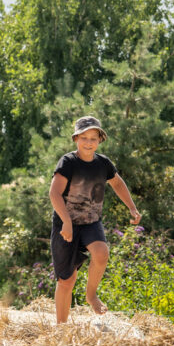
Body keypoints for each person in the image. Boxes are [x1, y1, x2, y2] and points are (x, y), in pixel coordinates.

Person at [49, 116, 140, 324]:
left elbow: (117, 183)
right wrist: (66, 222)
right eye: (84, 138)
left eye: (93, 138)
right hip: (66, 223)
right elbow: (54, 193)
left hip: (91, 222)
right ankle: (61, 327)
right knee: (67, 280)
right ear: (76, 139)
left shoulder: (103, 163)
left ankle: (91, 295)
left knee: (101, 253)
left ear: (100, 140)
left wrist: (132, 207)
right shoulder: (68, 162)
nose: (88, 143)